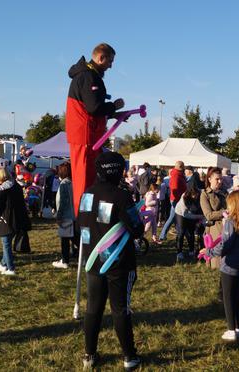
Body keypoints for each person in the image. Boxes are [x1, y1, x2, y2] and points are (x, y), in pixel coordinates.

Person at [77, 152, 144, 370]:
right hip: (118, 263)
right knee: (120, 308)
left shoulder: (87, 194)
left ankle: (89, 354)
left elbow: (81, 224)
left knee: (93, 308)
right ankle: (129, 356)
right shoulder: (121, 195)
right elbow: (136, 229)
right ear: (117, 171)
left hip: (93, 260)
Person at [66, 43, 124, 217]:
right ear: (100, 58)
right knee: (84, 182)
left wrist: (114, 114)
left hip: (90, 136)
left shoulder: (88, 76)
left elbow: (91, 110)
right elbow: (94, 108)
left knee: (93, 180)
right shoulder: (89, 77)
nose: (111, 65)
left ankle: (90, 219)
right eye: (110, 61)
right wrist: (113, 106)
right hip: (85, 137)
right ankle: (82, 222)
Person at [201, 190, 239, 342]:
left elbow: (226, 244)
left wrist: (209, 252)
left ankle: (231, 329)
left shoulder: (231, 221)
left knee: (228, 297)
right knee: (237, 296)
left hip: (229, 264)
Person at [0, 167, 32, 276]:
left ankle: (10, 268)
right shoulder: (16, 186)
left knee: (6, 244)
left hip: (8, 220)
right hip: (19, 219)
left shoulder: (3, 190)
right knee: (7, 243)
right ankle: (3, 264)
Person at [53, 162, 78, 269]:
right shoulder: (74, 183)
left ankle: (65, 260)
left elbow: (62, 202)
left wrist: (59, 216)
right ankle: (84, 257)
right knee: (75, 238)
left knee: (65, 239)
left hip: (66, 215)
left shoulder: (64, 184)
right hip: (74, 215)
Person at [159, 161, 187, 241]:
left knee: (173, 218)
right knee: (173, 218)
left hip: (177, 199)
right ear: (181, 167)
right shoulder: (176, 175)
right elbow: (174, 189)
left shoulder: (178, 174)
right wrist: (178, 200)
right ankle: (163, 235)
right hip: (176, 200)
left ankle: (166, 234)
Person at [175, 186, 204, 262]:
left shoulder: (200, 194)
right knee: (181, 232)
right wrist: (199, 216)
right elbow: (185, 215)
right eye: (193, 195)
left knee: (191, 232)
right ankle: (179, 252)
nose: (195, 196)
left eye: (196, 195)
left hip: (192, 214)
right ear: (189, 194)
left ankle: (191, 251)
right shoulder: (184, 198)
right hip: (181, 214)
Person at [200, 167, 227, 240]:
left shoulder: (224, 192)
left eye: (221, 179)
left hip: (227, 227)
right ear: (209, 179)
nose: (220, 181)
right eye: (217, 179)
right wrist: (224, 212)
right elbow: (209, 215)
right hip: (214, 230)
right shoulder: (205, 194)